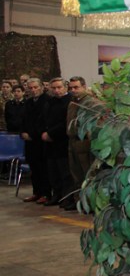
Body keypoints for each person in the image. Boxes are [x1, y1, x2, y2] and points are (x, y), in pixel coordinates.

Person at [65, 77, 96, 211]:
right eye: (71, 88)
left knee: (87, 174)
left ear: (84, 86)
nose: (73, 90)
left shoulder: (91, 103)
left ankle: (91, 203)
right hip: (73, 142)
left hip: (84, 142)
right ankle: (80, 202)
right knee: (76, 174)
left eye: (76, 87)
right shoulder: (72, 103)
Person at [20, 78, 52, 204]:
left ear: (41, 87)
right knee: (34, 168)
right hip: (29, 141)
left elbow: (44, 121)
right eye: (31, 88)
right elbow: (23, 120)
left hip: (40, 141)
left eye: (35, 87)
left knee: (44, 169)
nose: (33, 90)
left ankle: (46, 193)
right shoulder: (27, 103)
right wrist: (23, 132)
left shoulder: (47, 101)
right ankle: (36, 192)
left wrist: (33, 134)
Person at [42, 78, 73, 207]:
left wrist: (51, 134)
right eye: (53, 88)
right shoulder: (50, 102)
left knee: (65, 173)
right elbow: (44, 119)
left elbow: (66, 122)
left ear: (65, 87)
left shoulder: (70, 102)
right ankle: (57, 195)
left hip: (63, 142)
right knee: (53, 171)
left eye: (59, 87)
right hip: (50, 143)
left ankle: (67, 198)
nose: (56, 90)